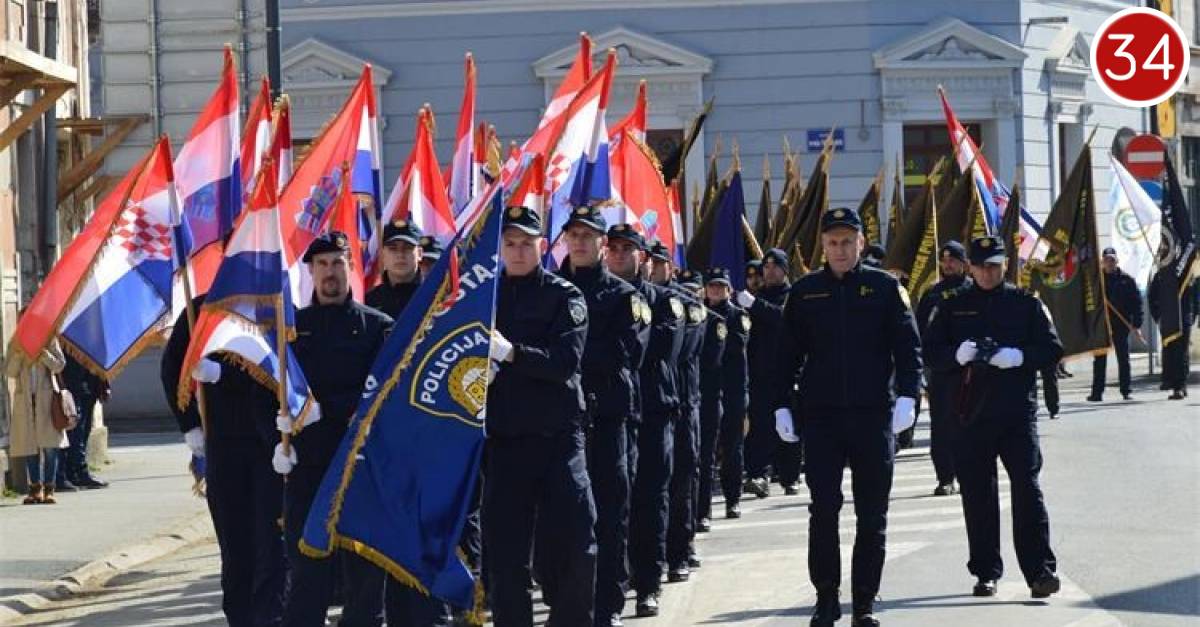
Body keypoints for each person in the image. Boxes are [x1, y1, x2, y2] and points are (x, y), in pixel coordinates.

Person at [773, 207, 922, 627]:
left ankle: (864, 604)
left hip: (873, 415)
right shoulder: (805, 292)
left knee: (872, 515)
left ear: (861, 243)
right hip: (821, 417)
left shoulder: (885, 288)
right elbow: (784, 355)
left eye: (847, 242)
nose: (840, 250)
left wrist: (909, 396)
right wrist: (781, 403)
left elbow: (908, 347)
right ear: (823, 246)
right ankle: (825, 599)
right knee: (823, 510)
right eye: (832, 242)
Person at [924, 235, 1063, 600]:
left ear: (1005, 265)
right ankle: (986, 571)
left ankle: (1040, 571)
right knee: (977, 495)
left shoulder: (1026, 303)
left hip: (1016, 413)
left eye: (994, 266)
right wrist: (957, 355)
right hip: (969, 415)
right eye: (981, 266)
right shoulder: (952, 306)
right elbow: (930, 352)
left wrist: (1019, 357)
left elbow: (1052, 348)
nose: (988, 273)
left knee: (1027, 489)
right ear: (970, 267)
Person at [484, 205, 597, 627]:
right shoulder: (485, 298)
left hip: (557, 439)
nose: (518, 251)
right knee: (505, 555)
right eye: (510, 243)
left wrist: (511, 354)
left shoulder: (564, 296)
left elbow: (564, 363)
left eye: (526, 244)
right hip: (505, 441)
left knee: (576, 541)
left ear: (543, 246)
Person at [278, 231, 394, 627]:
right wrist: (276, 436)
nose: (330, 272)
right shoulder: (291, 330)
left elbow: (387, 394)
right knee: (307, 573)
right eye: (322, 264)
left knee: (364, 580)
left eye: (337, 263)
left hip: (360, 468)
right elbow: (271, 390)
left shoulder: (378, 327)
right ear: (311, 271)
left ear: (351, 267)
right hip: (308, 466)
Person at [161, 295, 287, 627]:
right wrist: (189, 424)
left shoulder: (274, 302)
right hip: (224, 444)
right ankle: (240, 618)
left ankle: (269, 619)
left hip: (270, 446)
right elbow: (172, 366)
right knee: (235, 545)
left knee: (271, 545)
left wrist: (224, 374)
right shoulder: (199, 311)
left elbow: (282, 369)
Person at [556, 206, 646, 627]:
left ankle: (608, 602)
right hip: (560, 419)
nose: (579, 242)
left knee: (610, 513)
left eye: (587, 236)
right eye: (573, 235)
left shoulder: (624, 297)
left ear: (601, 244)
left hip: (607, 417)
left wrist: (564, 356)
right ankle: (569, 603)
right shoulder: (550, 290)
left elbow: (625, 352)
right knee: (563, 519)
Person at [611, 229, 684, 619]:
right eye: (614, 248)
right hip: (614, 413)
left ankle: (648, 584)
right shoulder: (597, 297)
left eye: (629, 249)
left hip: (654, 410)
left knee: (650, 500)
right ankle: (613, 584)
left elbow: (659, 348)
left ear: (643, 257)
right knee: (613, 504)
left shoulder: (663, 301)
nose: (620, 255)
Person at [646, 241, 702, 588]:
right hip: (649, 403)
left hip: (681, 400)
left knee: (680, 481)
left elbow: (680, 350)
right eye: (649, 261)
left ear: (671, 266)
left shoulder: (685, 304)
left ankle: (680, 551)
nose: (653, 268)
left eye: (659, 262)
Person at [669, 268, 723, 575]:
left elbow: (711, 360)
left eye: (694, 291)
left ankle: (686, 540)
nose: (689, 295)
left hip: (698, 399)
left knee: (690, 472)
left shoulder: (708, 321)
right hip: (667, 401)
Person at [737, 248, 795, 498]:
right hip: (758, 372)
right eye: (767, 267)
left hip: (786, 370)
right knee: (759, 425)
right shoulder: (756, 297)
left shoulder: (792, 296)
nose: (769, 272)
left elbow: (784, 319)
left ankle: (790, 476)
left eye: (775, 267)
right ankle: (757, 474)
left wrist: (755, 305)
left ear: (785, 270)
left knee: (788, 424)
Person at [915, 240, 971, 496]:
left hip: (970, 372)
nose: (947, 265)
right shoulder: (932, 294)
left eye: (953, 260)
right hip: (941, 370)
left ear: (964, 263)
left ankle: (968, 473)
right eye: (944, 260)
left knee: (968, 426)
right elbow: (919, 331)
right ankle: (945, 477)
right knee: (941, 426)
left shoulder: (972, 291)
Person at [703, 268, 750, 521]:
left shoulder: (738, 316)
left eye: (721, 287)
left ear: (729, 290)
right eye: (712, 286)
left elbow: (736, 345)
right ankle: (704, 509)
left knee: (732, 448)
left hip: (732, 390)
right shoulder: (699, 313)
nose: (716, 291)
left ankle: (733, 500)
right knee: (706, 450)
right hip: (708, 390)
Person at [7, 336, 69, 505]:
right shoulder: (16, 342)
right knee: (29, 447)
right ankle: (35, 489)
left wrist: (44, 354)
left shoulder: (49, 339)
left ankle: (49, 488)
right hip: (25, 402)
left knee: (50, 448)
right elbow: (10, 372)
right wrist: (19, 354)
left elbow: (60, 365)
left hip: (47, 402)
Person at [1089, 248, 1143, 402]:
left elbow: (1137, 303)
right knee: (1099, 359)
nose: (1109, 263)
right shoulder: (1096, 281)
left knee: (1123, 358)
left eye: (1112, 260)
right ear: (1102, 261)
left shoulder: (1127, 280)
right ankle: (1097, 393)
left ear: (1117, 261)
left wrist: (1137, 324)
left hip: (1121, 323)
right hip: (1102, 324)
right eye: (1107, 260)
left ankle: (1126, 390)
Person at [56, 352, 110, 490]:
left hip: (90, 384)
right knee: (75, 433)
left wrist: (104, 380)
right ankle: (74, 472)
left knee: (83, 431)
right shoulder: (67, 340)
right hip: (74, 383)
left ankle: (77, 472)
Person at [1148, 268, 1194, 400]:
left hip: (1184, 319)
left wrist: (1192, 316)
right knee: (1170, 351)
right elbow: (1152, 297)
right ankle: (1171, 381)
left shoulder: (1187, 273)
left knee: (1181, 352)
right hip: (1167, 321)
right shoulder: (1160, 276)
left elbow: (1195, 296)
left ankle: (1180, 386)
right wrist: (1158, 317)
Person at [366, 218, 423, 317]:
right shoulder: (370, 302)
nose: (400, 254)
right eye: (393, 248)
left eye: (407, 248)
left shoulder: (435, 296)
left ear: (419, 253)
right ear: (382, 254)